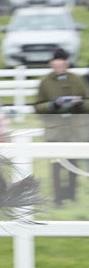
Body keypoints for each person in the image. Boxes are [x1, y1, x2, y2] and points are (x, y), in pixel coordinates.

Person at [33, 47, 89, 206]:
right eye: (55, 63)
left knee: (73, 166)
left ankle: (72, 196)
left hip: (74, 131)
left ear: (66, 63)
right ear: (51, 63)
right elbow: (37, 106)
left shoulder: (77, 80)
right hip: (55, 132)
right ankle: (57, 199)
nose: (58, 66)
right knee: (56, 167)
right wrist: (53, 105)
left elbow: (87, 103)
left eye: (61, 63)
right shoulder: (44, 82)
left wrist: (78, 103)